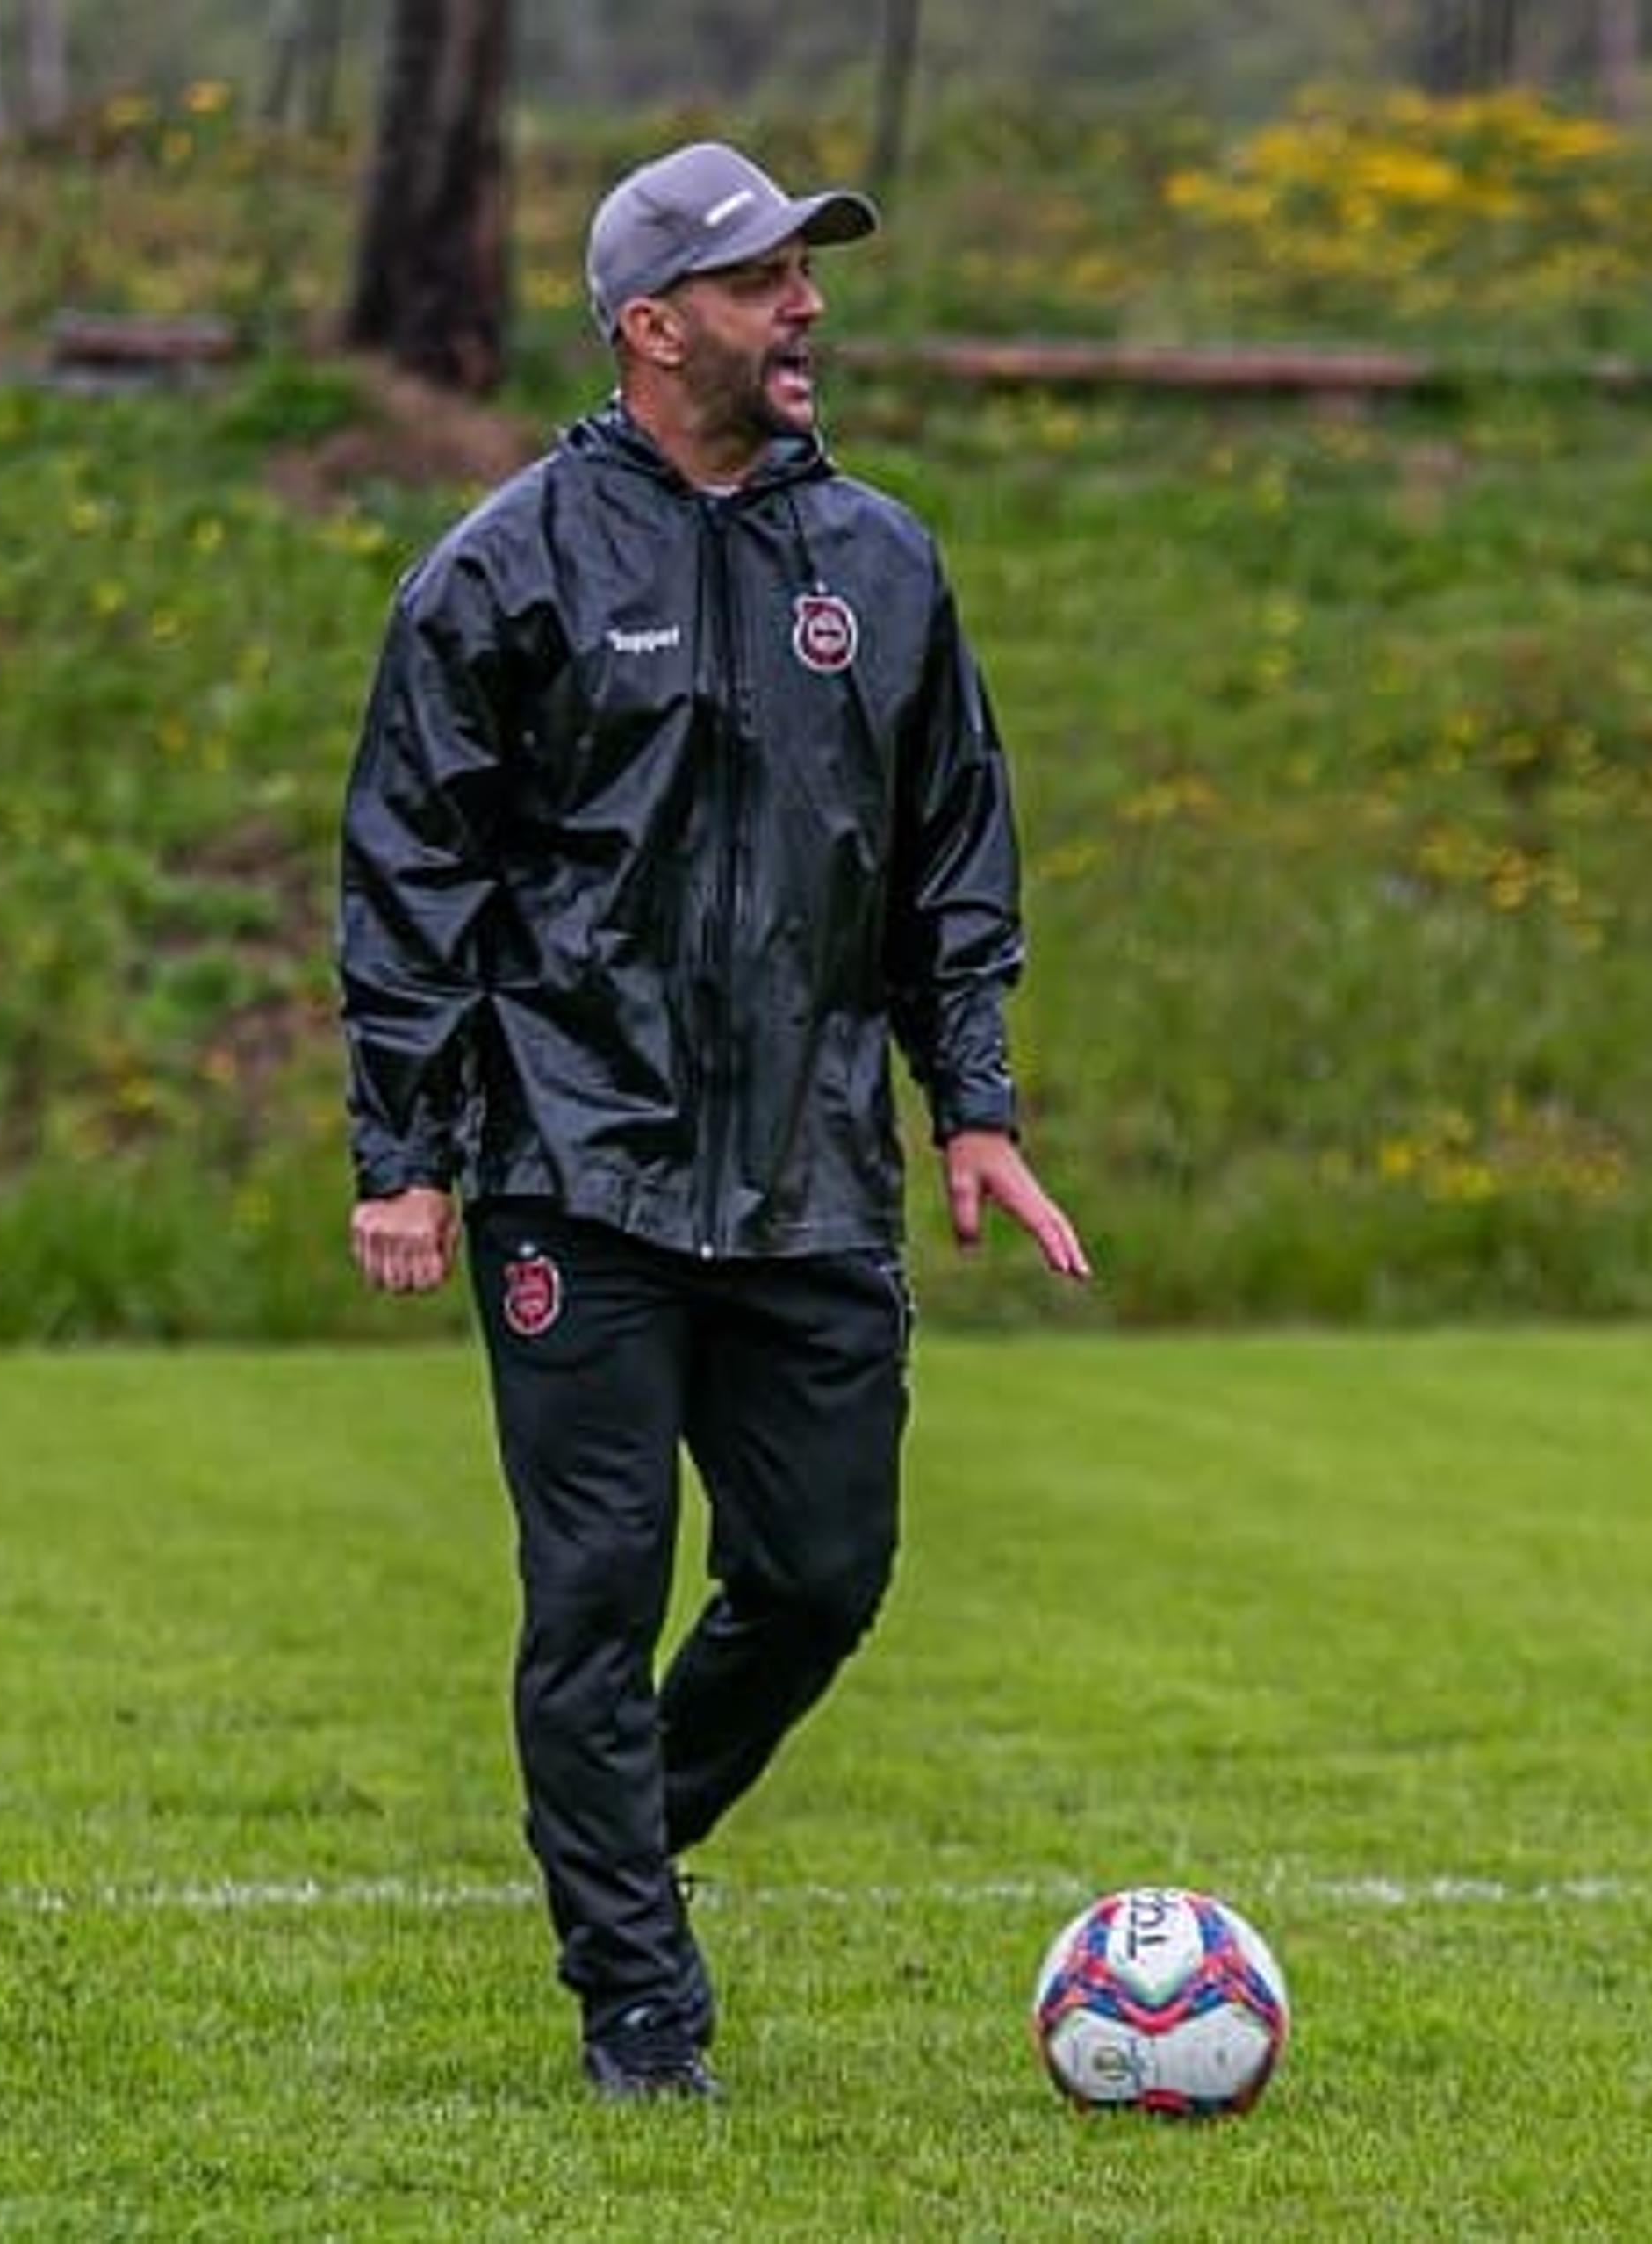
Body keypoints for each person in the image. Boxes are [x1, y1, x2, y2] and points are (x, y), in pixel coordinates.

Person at [334, 140, 1092, 2102]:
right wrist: (402, 1150)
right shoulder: (500, 571)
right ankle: (637, 2002)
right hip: (572, 1175)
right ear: (653, 326)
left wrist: (974, 1107)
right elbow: (411, 874)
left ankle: (613, 1849)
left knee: (824, 1572)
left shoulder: (890, 568)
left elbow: (951, 860)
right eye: (765, 282)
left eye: (809, 276)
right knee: (592, 1593)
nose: (809, 309)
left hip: (809, 1178)